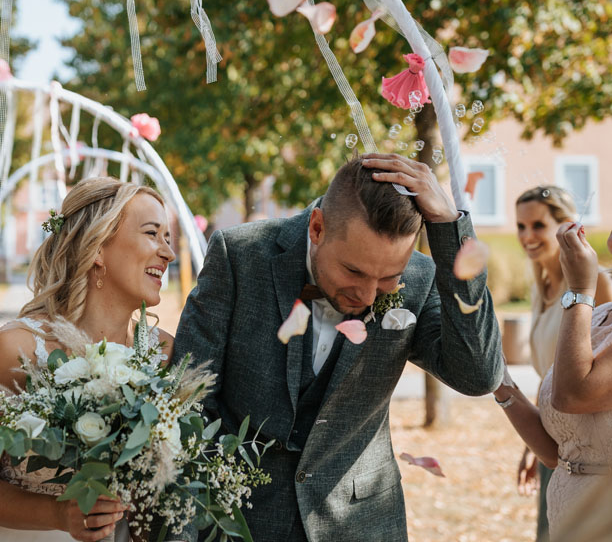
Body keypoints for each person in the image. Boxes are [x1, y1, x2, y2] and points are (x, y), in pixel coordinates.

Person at [169, 154, 504, 541]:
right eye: (354, 271)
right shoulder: (241, 256)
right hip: (242, 523)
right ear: (316, 228)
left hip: (360, 525)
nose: (366, 295)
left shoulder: (421, 277)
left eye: (387, 279)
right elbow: (189, 404)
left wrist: (450, 230)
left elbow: (479, 375)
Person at [0, 177, 175, 542]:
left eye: (169, 238)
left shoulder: (162, 354)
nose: (168, 253)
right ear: (98, 246)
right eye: (153, 234)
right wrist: (56, 513)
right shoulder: (14, 349)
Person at [493, 221, 612, 540]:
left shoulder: (588, 306)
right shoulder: (602, 317)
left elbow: (573, 396)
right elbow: (558, 452)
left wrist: (580, 290)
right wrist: (498, 378)